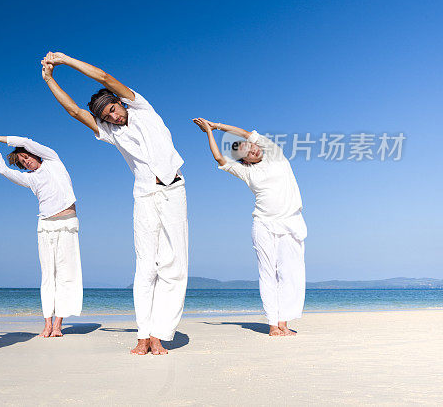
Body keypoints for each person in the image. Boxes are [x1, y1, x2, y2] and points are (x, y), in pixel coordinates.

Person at [41, 52, 187, 355]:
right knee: (145, 266)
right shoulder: (111, 132)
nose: (113, 116)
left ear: (120, 102)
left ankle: (159, 334)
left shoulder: (142, 108)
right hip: (145, 196)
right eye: (107, 116)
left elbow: (105, 78)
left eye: (113, 109)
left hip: (173, 191)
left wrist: (66, 61)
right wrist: (50, 79)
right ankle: (143, 334)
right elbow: (73, 111)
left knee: (173, 265)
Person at [192, 118, 306, 336]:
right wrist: (208, 133)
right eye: (247, 152)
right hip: (263, 224)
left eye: (252, 146)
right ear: (245, 160)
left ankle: (284, 322)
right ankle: (273, 324)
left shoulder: (276, 156)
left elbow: (245, 133)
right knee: (267, 273)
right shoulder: (247, 172)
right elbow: (219, 158)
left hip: (290, 222)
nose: (253, 150)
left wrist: (215, 126)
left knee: (290, 273)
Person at [0, 132, 83, 337]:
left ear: (35, 155)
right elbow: (3, 171)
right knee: (47, 276)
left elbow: (25, 142)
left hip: (68, 224)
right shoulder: (29, 179)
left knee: (65, 274)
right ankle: (47, 323)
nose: (26, 162)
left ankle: (58, 324)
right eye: (22, 162)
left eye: (26, 157)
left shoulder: (53, 160)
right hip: (45, 226)